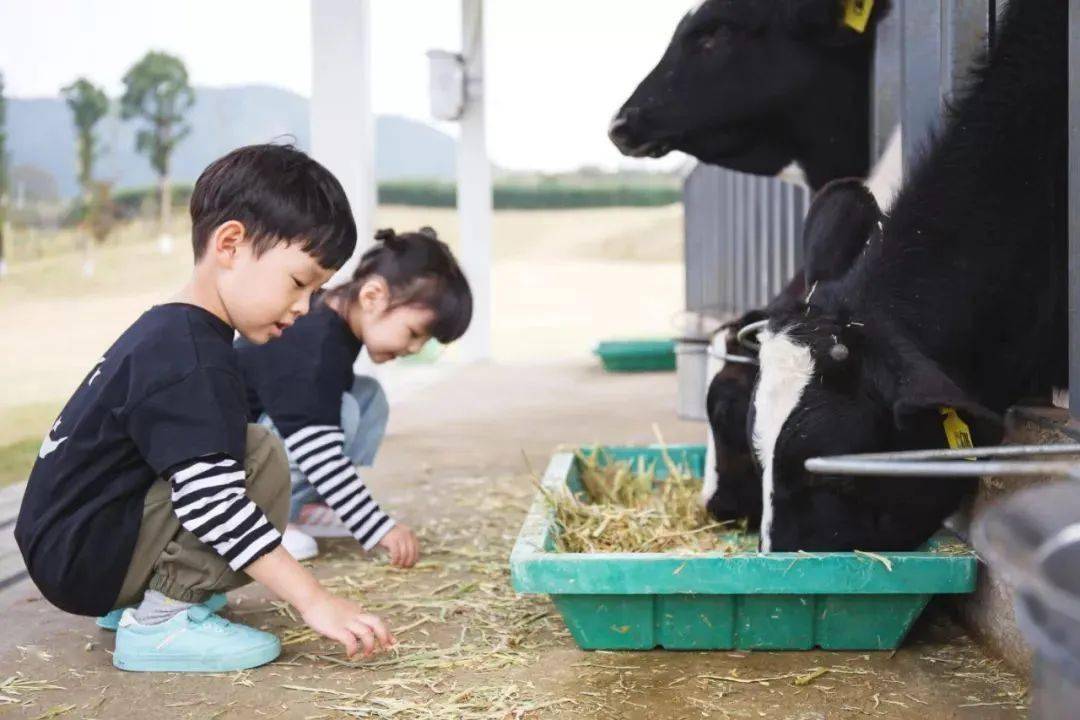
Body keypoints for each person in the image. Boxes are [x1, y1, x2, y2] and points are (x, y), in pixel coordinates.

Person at [15, 144, 395, 672]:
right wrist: (315, 600)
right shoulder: (195, 359)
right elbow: (210, 501)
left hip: (72, 546)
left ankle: (147, 598)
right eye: (298, 281)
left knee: (226, 450)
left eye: (317, 290)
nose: (304, 307)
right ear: (231, 244)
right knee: (257, 454)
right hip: (85, 558)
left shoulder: (169, 332)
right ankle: (160, 625)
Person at [236, 227, 472, 564]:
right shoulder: (313, 344)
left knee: (367, 395)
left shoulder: (334, 322)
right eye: (414, 333)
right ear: (373, 296)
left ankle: (307, 506)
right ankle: (267, 521)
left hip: (260, 445)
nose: (414, 348)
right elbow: (316, 448)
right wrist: (377, 529)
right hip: (231, 465)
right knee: (340, 411)